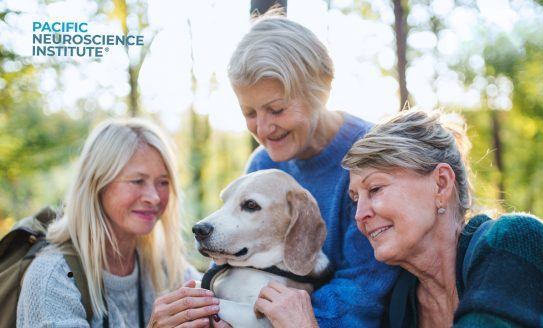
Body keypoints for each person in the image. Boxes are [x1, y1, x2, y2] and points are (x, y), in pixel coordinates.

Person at [341, 109, 543, 326]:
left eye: (375, 189)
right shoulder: (399, 303)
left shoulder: (515, 242)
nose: (359, 215)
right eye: (355, 199)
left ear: (441, 185)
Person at [225, 11, 402, 328]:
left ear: (320, 91)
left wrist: (275, 320)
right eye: (249, 112)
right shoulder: (262, 166)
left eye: (277, 109)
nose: (264, 129)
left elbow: (365, 285)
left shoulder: (371, 157)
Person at [17, 119, 223, 327]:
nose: (154, 197)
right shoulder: (54, 277)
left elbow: (224, 302)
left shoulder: (165, 267)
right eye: (137, 181)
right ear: (97, 184)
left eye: (163, 182)